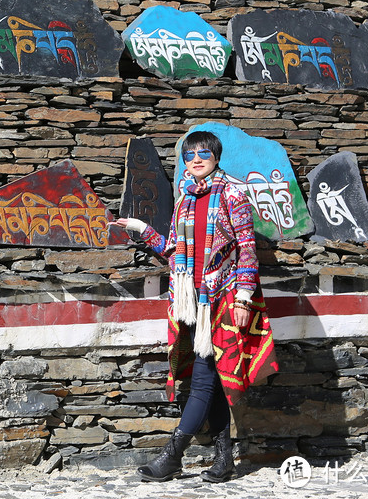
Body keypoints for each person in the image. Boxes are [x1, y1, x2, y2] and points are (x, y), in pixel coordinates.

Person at [109, 130, 277, 483]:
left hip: (223, 299)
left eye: (203, 153)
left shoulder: (233, 195)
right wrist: (140, 227)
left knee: (202, 379)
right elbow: (172, 250)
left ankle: (173, 455)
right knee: (210, 378)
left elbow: (247, 249)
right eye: (189, 155)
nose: (196, 159)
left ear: (216, 156)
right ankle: (224, 460)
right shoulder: (186, 200)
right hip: (190, 301)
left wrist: (245, 297)